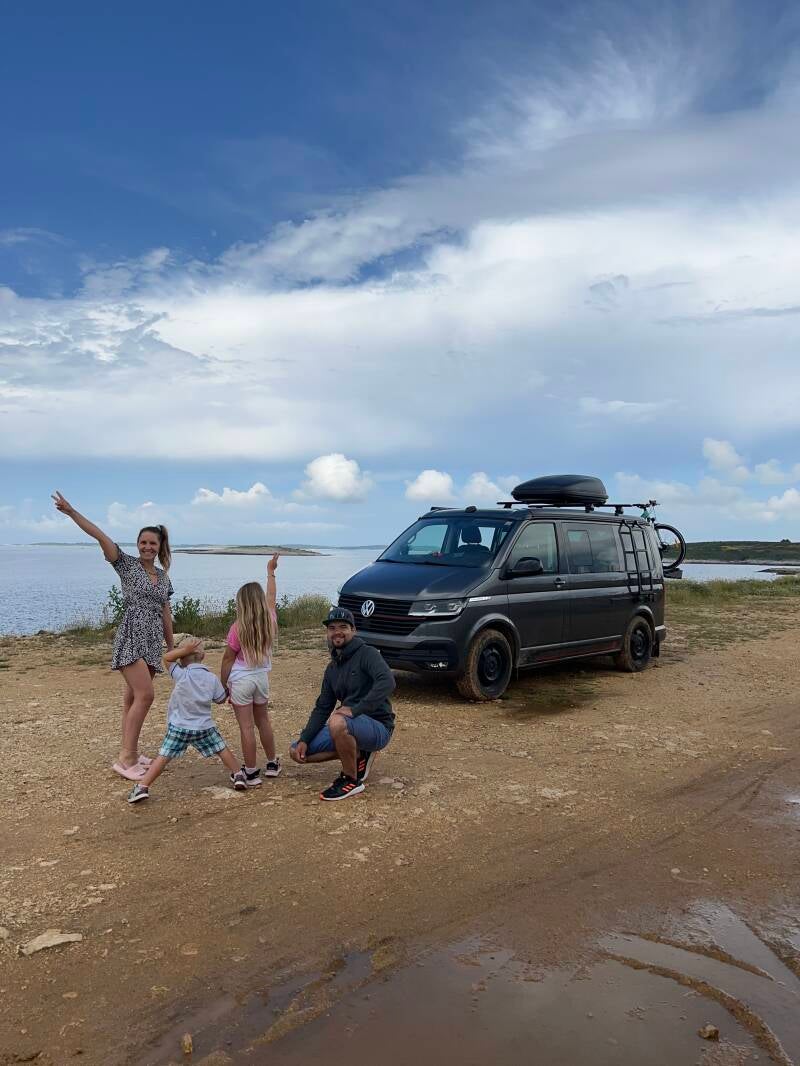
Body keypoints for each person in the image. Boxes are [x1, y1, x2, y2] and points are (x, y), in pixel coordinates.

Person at [52, 491, 174, 781]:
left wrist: (171, 648)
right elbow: (99, 534)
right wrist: (71, 512)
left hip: (152, 641)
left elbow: (166, 612)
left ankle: (130, 750)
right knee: (145, 695)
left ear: (159, 547)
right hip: (131, 636)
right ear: (137, 544)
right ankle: (126, 758)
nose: (147, 547)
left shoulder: (163, 577)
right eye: (143, 542)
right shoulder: (126, 564)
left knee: (132, 698)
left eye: (152, 543)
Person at [290, 607, 395, 801]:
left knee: (337, 721)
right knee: (295, 751)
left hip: (378, 727)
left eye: (343, 627)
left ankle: (351, 780)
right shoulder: (332, 668)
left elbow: (387, 682)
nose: (337, 632)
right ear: (327, 633)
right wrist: (305, 738)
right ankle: (357, 754)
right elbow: (323, 707)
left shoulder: (368, 653)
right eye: (332, 628)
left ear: (353, 630)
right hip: (350, 726)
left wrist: (356, 710)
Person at [127, 637, 247, 803]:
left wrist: (184, 650)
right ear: (203, 656)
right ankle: (238, 774)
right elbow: (220, 699)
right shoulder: (211, 678)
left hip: (179, 727)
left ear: (182, 659)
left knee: (163, 756)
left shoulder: (180, 673)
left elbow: (166, 658)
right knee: (221, 748)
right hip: (204, 727)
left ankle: (142, 787)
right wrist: (227, 690)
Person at [220, 555, 281, 787]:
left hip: (241, 681)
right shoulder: (270, 620)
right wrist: (271, 572)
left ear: (241, 604)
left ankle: (252, 772)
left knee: (246, 727)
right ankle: (272, 763)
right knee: (263, 721)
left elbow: (228, 659)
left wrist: (223, 685)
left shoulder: (237, 628)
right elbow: (272, 596)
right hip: (261, 679)